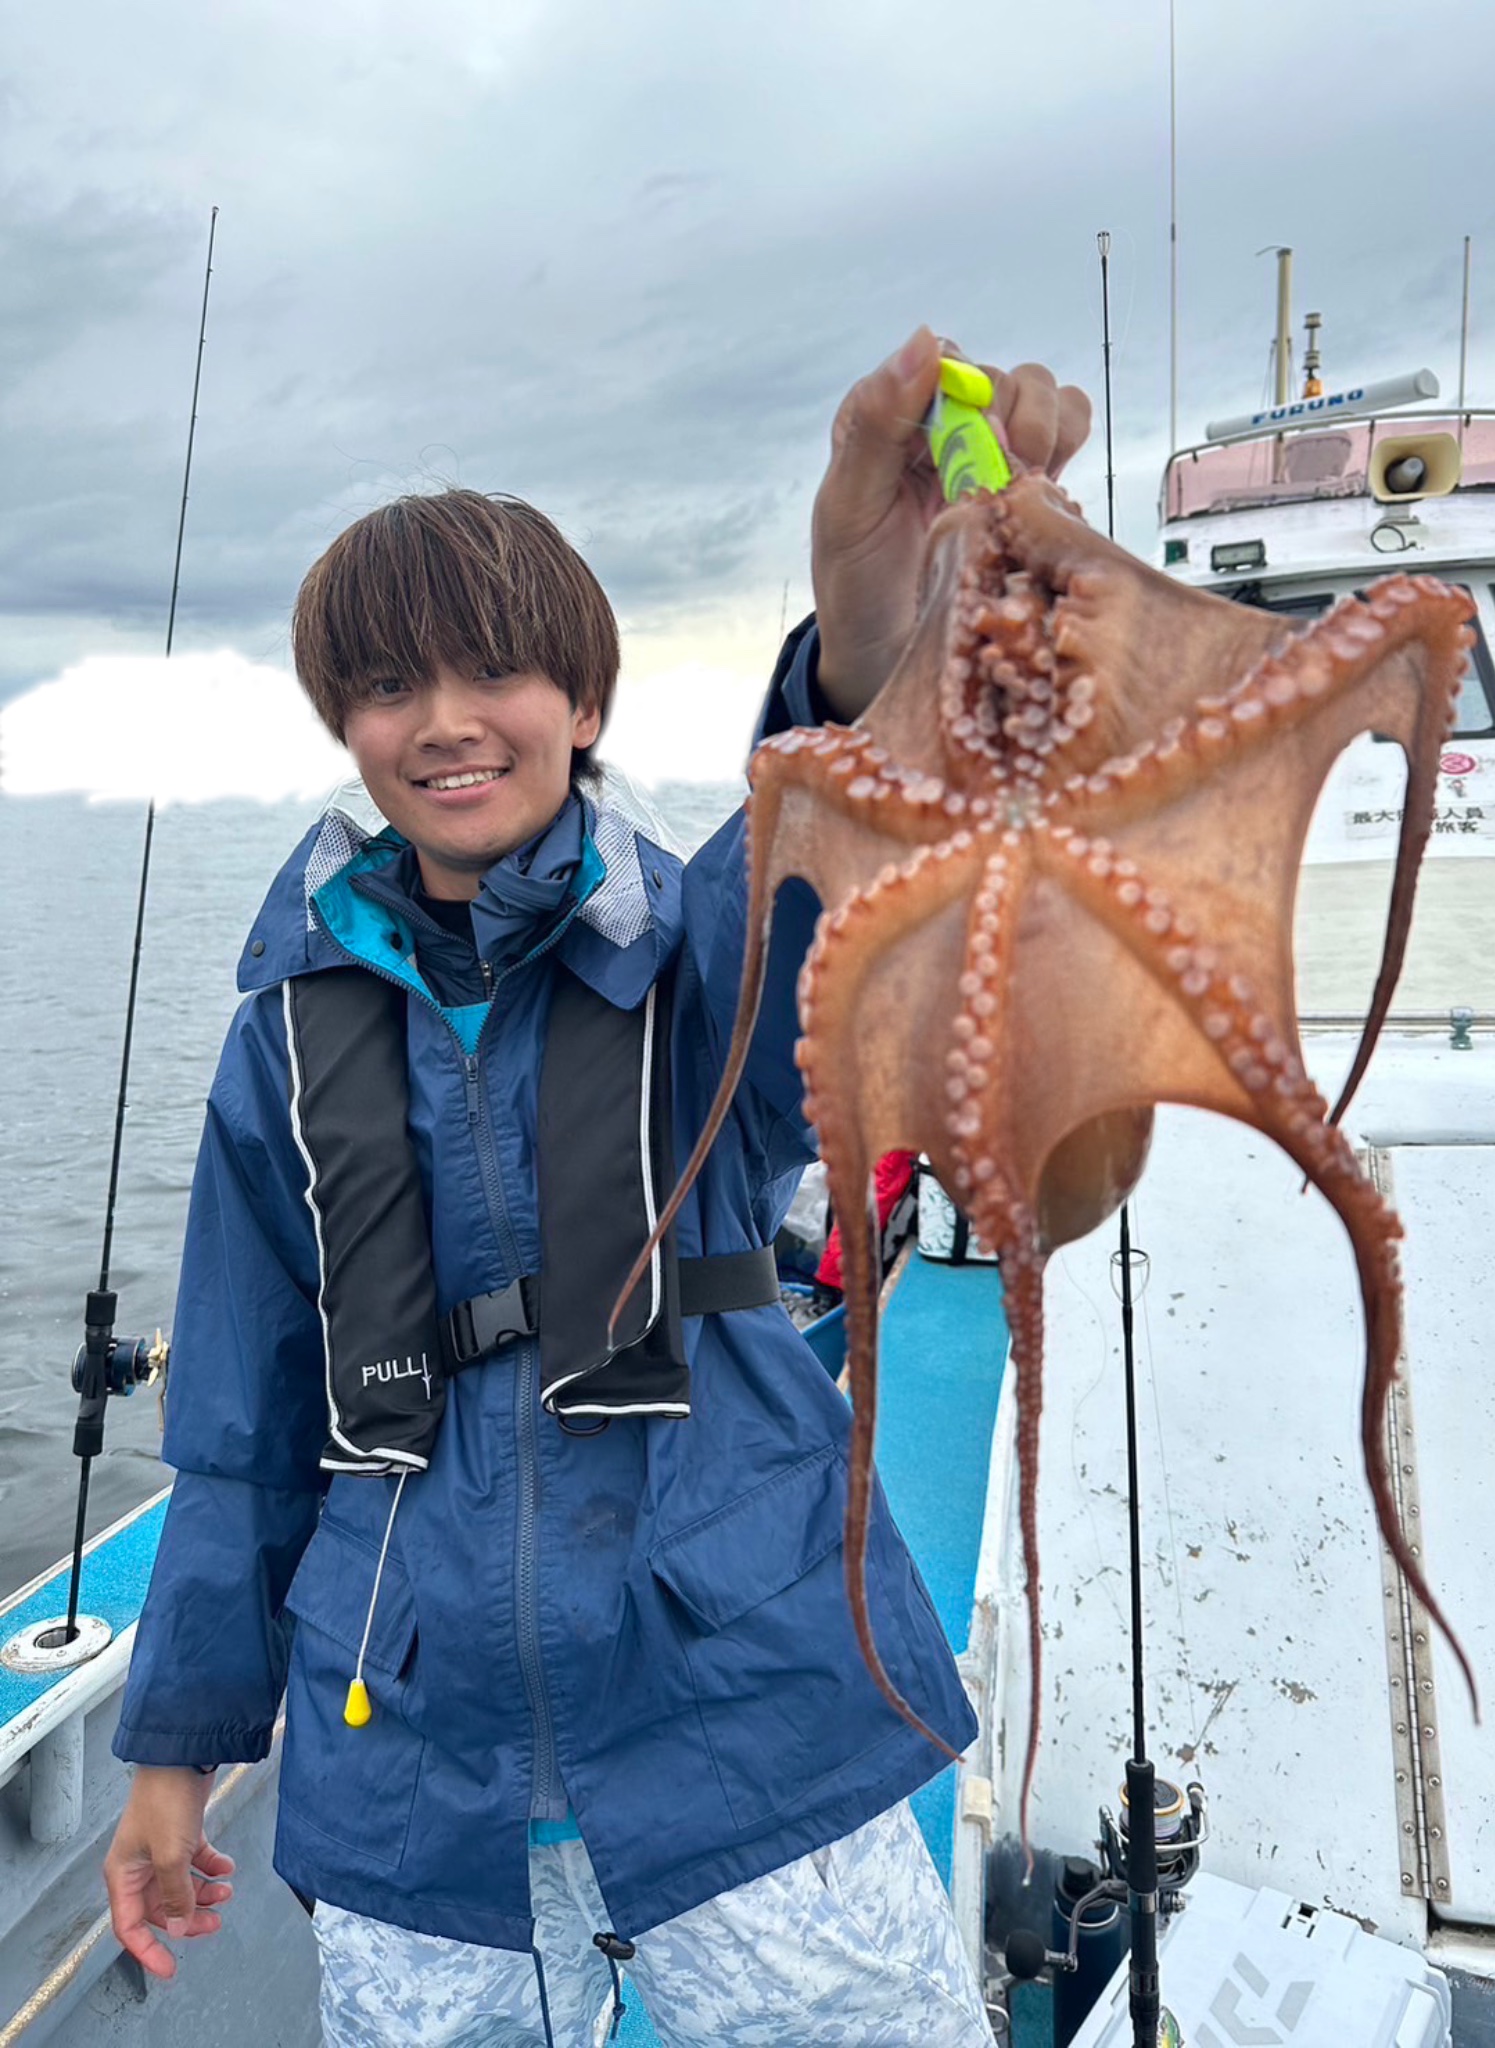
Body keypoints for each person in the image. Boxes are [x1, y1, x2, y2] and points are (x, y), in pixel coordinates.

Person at [103, 330, 1090, 2047]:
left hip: (744, 1692)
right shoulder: (281, 1045)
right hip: (414, 1755)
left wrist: (865, 656)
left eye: (495, 672)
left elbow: (845, 841)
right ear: (346, 726)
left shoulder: (698, 950)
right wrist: (176, 1756)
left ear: (586, 703)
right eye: (390, 687)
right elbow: (244, 1428)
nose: (445, 724)